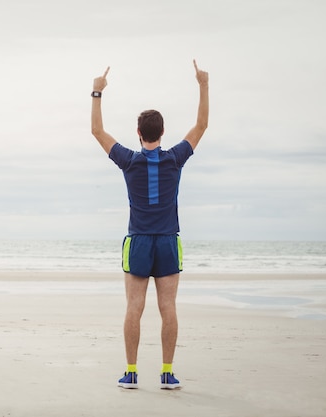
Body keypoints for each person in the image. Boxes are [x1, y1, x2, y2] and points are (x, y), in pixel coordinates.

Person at [90, 60, 209, 389]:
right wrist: (202, 84)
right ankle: (167, 373)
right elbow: (201, 125)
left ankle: (131, 372)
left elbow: (97, 132)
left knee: (134, 306)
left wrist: (97, 90)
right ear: (163, 132)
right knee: (168, 306)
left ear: (139, 133)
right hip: (168, 241)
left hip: (139, 241)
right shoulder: (175, 158)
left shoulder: (129, 160)